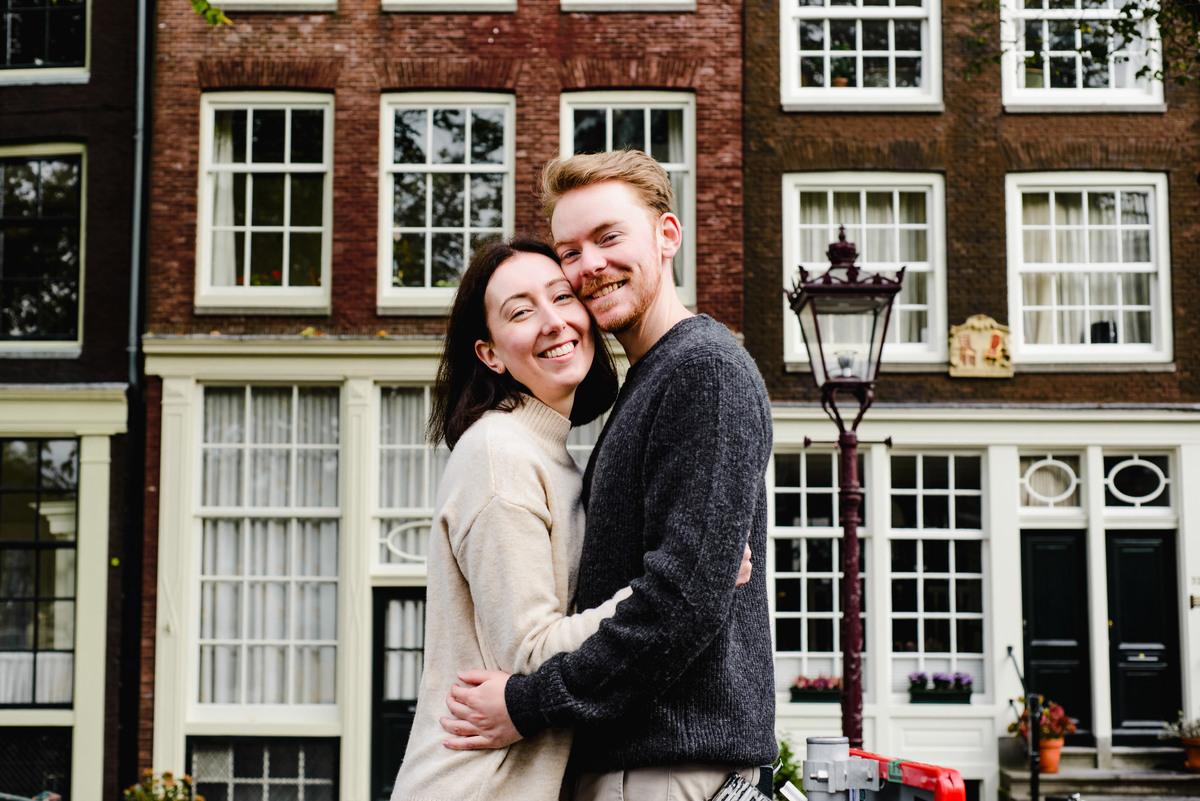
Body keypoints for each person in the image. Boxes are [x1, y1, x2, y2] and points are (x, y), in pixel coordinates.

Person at [441, 150, 777, 801]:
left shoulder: (703, 370)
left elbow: (679, 603)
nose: (588, 265)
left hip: (660, 772)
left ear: (667, 235)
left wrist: (527, 703)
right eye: (570, 251)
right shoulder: (650, 382)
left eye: (608, 237)